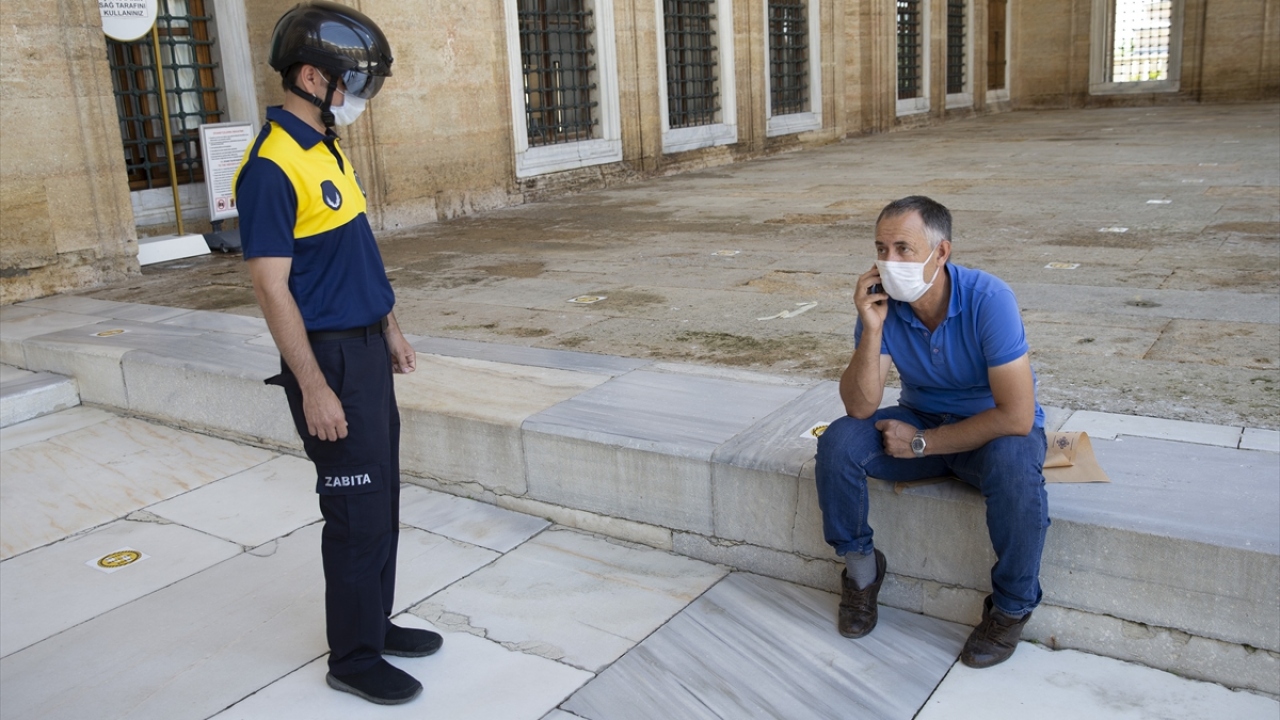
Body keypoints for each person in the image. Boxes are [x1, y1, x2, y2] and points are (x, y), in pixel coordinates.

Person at [235, 1, 440, 705]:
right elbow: (271, 286)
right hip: (329, 362)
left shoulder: (325, 148)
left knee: (382, 500)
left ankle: (374, 624)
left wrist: (391, 329)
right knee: (354, 512)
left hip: (367, 352)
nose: (358, 96)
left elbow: (356, 256)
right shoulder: (270, 167)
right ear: (311, 77)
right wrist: (313, 386)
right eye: (352, 80)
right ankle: (352, 658)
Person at [814, 195, 1049, 669]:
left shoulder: (989, 300)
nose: (889, 261)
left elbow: (1016, 417)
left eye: (904, 248)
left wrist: (922, 444)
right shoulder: (884, 305)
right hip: (921, 419)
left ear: (941, 253)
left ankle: (1011, 607)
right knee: (838, 442)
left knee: (1016, 467)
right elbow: (860, 407)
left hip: (990, 434)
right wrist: (872, 329)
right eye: (881, 249)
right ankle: (861, 573)